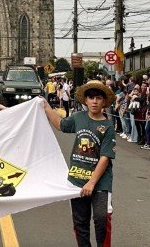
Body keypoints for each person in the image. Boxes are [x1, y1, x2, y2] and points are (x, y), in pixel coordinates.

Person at [42, 81, 116, 247]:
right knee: (80, 223)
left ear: (104, 102)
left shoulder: (108, 126)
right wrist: (46, 107)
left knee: (101, 218)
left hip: (100, 184)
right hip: (76, 180)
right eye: (91, 98)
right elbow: (61, 125)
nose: (94, 101)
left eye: (98, 98)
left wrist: (91, 182)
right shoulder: (78, 118)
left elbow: (105, 158)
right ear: (86, 101)